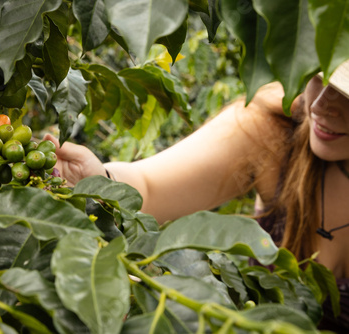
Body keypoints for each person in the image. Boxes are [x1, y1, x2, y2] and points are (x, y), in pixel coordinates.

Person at [43, 60, 349, 332]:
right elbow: (150, 185)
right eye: (319, 75)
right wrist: (98, 183)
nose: (322, 105)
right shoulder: (278, 127)